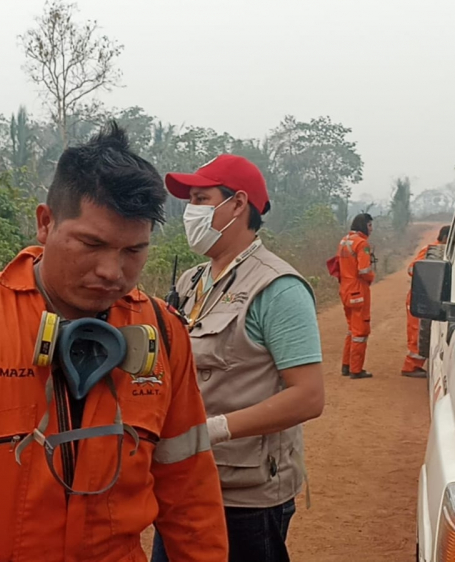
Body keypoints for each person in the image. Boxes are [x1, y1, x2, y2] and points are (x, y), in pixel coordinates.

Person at [0, 123, 227, 562]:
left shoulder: (163, 332)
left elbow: (191, 493)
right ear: (45, 222)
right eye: (91, 244)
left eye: (133, 251)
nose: (112, 272)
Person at [154, 154, 326, 562]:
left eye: (201, 199)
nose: (190, 212)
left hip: (245, 496)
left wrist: (215, 429)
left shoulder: (278, 289)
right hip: (186, 478)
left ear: (236, 205)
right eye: (189, 201)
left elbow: (308, 397)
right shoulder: (192, 282)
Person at [402, 225, 449, 378]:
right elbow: (412, 269)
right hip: (420, 297)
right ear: (446, 238)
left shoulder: (445, 252)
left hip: (428, 297)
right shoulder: (431, 250)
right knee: (417, 333)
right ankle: (410, 367)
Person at [338, 213, 376, 380]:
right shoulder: (362, 244)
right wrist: (371, 278)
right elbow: (364, 270)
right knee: (360, 331)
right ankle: (356, 369)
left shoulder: (344, 241)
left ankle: (346, 366)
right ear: (364, 225)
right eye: (370, 225)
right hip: (358, 290)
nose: (371, 229)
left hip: (345, 289)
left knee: (351, 330)